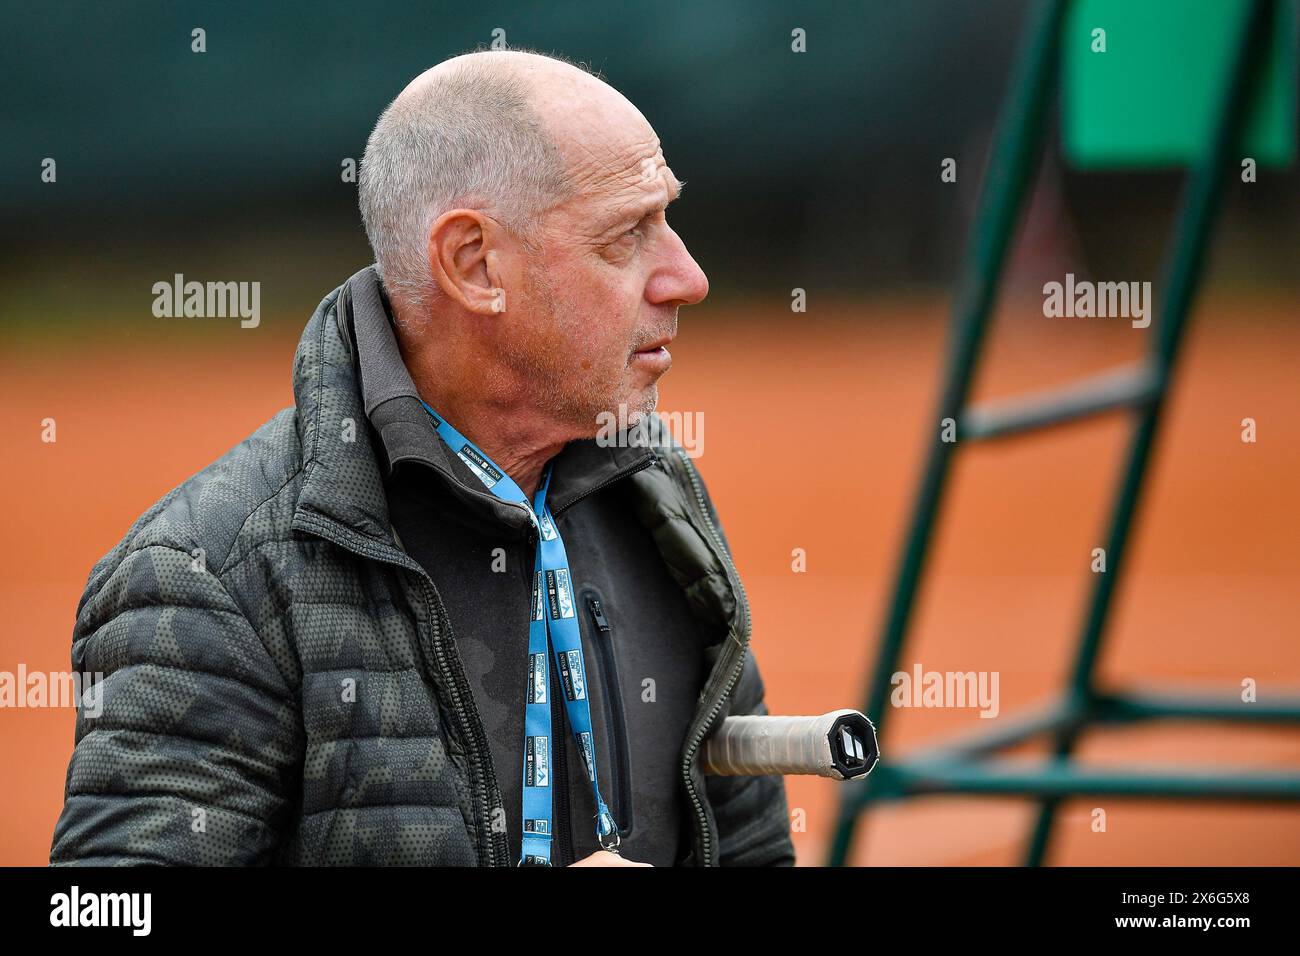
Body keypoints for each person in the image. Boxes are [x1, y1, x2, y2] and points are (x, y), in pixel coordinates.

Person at [49, 48, 793, 867]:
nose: (688, 277)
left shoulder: (655, 489)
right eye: (626, 236)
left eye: (670, 219)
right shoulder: (206, 576)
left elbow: (752, 845)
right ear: (474, 265)